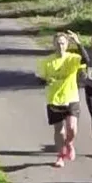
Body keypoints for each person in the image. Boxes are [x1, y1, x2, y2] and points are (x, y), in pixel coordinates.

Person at [39, 32, 85, 167]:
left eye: (63, 43)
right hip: (54, 99)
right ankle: (60, 155)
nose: (60, 46)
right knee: (58, 130)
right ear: (53, 44)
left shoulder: (73, 58)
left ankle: (69, 143)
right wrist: (46, 80)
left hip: (71, 97)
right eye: (58, 43)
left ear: (67, 45)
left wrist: (78, 43)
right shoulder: (46, 61)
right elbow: (39, 79)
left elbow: (87, 61)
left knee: (72, 128)